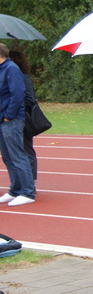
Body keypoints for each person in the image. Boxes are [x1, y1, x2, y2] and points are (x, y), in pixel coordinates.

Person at [0, 43, 35, 207]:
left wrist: (9, 115)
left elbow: (18, 93)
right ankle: (15, 189)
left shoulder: (11, 69)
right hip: (3, 119)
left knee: (17, 155)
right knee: (7, 157)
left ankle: (27, 191)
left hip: (11, 120)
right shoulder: (3, 69)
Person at [8, 51, 38, 188]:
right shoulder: (11, 76)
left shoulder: (22, 77)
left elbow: (29, 99)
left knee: (26, 150)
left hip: (23, 118)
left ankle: (30, 182)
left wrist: (16, 108)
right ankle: (21, 182)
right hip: (17, 117)